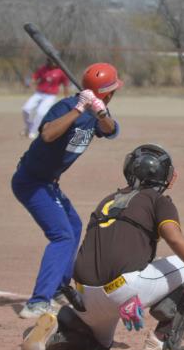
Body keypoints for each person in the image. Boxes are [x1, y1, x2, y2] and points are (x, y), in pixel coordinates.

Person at [21, 144, 184, 350]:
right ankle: (163, 341)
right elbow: (173, 238)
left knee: (98, 346)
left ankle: (58, 334)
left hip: (84, 295)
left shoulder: (107, 200)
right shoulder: (157, 200)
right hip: (124, 289)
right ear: (164, 176)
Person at [12, 63, 124, 319]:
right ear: (108, 91)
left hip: (49, 183)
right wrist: (79, 108)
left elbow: (112, 130)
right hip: (31, 182)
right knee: (62, 235)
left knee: (73, 226)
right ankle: (38, 301)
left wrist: (100, 112)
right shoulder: (65, 107)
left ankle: (59, 288)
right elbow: (48, 134)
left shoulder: (97, 111)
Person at [21, 58, 70, 140]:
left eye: (54, 61)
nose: (52, 63)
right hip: (39, 93)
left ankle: (33, 131)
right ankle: (29, 127)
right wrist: (29, 83)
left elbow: (65, 85)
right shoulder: (43, 68)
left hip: (50, 96)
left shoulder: (61, 71)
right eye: (50, 61)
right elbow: (35, 78)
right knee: (26, 109)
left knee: (40, 112)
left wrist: (66, 97)